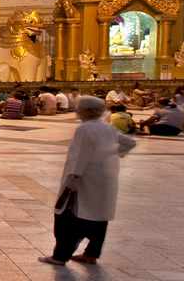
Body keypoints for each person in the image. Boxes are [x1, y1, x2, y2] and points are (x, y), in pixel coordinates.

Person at [40, 96, 136, 267]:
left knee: (67, 218)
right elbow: (130, 142)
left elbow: (80, 155)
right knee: (99, 215)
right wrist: (109, 154)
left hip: (83, 179)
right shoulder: (107, 128)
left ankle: (60, 256)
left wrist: (73, 178)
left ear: (85, 110)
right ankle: (91, 254)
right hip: (105, 179)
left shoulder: (84, 129)